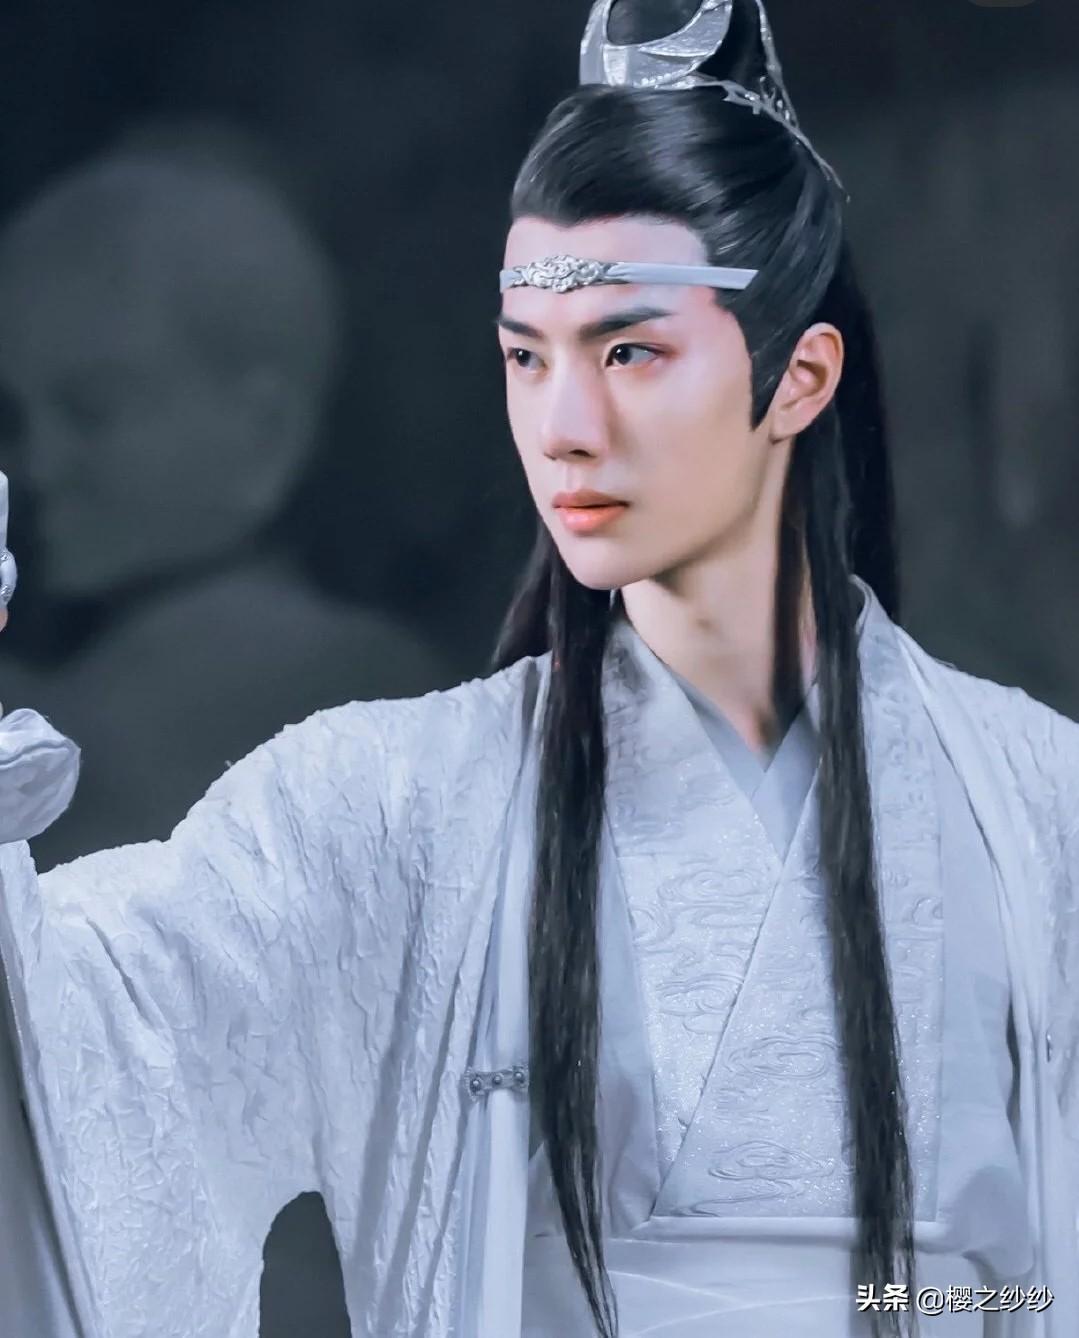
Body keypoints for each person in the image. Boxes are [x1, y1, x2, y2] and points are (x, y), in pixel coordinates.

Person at [0, 2, 1076, 1336]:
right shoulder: (391, 807)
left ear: (798, 379)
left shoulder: (1039, 807)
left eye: (629, 351)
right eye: (527, 356)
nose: (563, 426)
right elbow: (86, 1052)